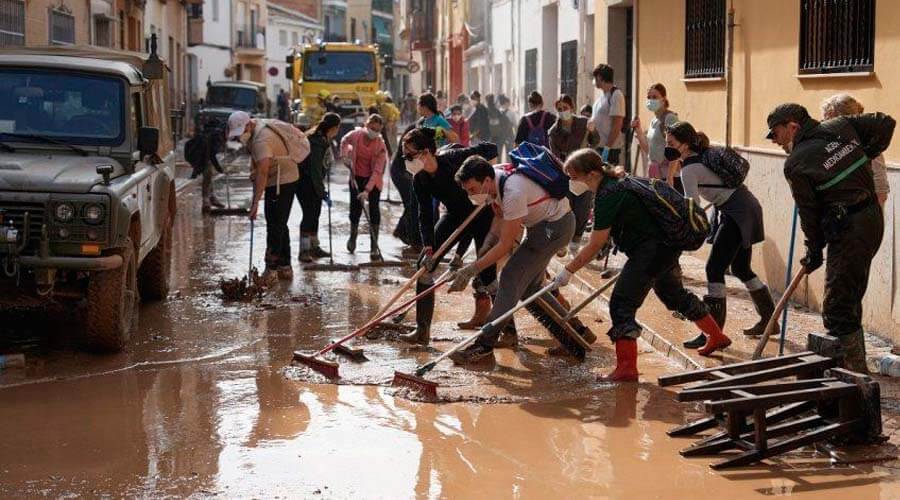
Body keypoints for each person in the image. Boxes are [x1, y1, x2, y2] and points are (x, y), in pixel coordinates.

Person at [550, 149, 731, 381]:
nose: (571, 182)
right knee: (674, 295)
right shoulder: (618, 183)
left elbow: (595, 243)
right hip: (664, 247)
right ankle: (716, 336)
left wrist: (568, 271)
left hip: (651, 252)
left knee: (621, 304)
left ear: (592, 174)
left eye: (573, 177)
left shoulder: (608, 194)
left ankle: (627, 367)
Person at [766, 103, 895, 372]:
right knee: (849, 294)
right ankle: (851, 368)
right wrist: (865, 153)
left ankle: (855, 376)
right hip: (871, 219)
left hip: (850, 228)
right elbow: (885, 122)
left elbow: (809, 212)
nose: (774, 140)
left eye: (775, 133)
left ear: (792, 127)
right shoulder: (841, 126)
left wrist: (813, 249)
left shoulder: (796, 163)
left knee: (838, 307)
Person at [447, 156, 576, 364]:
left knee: (509, 277)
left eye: (472, 189)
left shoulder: (512, 192)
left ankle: (484, 345)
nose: (471, 195)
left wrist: (471, 270)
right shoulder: (495, 180)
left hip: (554, 228)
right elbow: (499, 220)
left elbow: (505, 245)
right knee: (530, 288)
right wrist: (486, 245)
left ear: (486, 180)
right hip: (542, 226)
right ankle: (575, 332)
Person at [664, 121, 775, 348]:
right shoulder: (701, 157)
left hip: (737, 212)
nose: (668, 148)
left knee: (714, 269)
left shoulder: (689, 170)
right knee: (741, 268)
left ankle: (713, 334)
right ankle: (769, 320)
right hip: (746, 206)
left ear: (685, 144)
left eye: (671, 143)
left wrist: (679, 233)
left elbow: (693, 208)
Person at [399, 128, 500, 344]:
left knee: (487, 273)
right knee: (425, 265)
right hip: (454, 215)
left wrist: (489, 187)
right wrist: (428, 246)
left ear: (426, 152)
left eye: (410, 156)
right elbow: (425, 215)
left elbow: (491, 148)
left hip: (481, 213)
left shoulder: (454, 158)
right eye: (404, 156)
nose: (407, 161)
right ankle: (422, 330)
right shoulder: (420, 179)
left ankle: (508, 332)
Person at [227, 111, 309, 281]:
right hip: (283, 176)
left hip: (282, 181)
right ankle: (285, 267)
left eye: (241, 132)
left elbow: (263, 172)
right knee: (279, 222)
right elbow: (259, 167)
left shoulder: (261, 140)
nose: (240, 137)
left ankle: (271, 269)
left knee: (274, 225)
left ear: (248, 125)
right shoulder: (258, 125)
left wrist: (255, 203)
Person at [821, 94, 891, 208]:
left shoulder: (867, 144)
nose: (823, 125)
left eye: (826, 120)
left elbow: (880, 193)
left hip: (862, 215)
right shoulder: (828, 144)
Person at [340, 114, 389, 261]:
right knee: (355, 208)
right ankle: (353, 236)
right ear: (366, 126)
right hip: (356, 176)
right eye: (372, 128)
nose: (374, 132)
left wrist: (367, 190)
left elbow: (378, 170)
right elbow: (344, 141)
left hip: (373, 180)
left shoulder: (380, 145)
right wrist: (345, 156)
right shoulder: (356, 135)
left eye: (378, 130)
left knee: (374, 209)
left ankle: (374, 246)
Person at [549, 94, 594, 253]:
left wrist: (593, 131)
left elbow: (595, 142)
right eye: (559, 109)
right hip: (566, 173)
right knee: (566, 208)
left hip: (585, 171)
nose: (563, 111)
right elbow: (554, 156)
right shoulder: (553, 132)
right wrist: (565, 171)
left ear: (572, 107)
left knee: (583, 207)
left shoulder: (584, 123)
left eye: (565, 108)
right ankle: (563, 240)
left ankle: (576, 240)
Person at [297, 113, 341, 263]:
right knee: (309, 215)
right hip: (305, 183)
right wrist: (321, 192)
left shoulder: (323, 139)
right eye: (338, 128)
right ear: (333, 128)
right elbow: (315, 169)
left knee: (315, 214)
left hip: (313, 182)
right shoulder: (316, 142)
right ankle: (304, 250)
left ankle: (314, 247)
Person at [632, 83, 680, 188]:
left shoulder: (670, 118)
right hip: (655, 174)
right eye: (649, 97)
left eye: (654, 97)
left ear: (663, 99)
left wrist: (670, 177)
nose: (651, 100)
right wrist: (639, 131)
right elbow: (649, 151)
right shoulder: (653, 120)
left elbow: (676, 148)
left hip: (668, 177)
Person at [589, 64, 626, 166]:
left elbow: (617, 124)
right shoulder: (601, 97)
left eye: (595, 77)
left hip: (609, 149)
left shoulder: (616, 95)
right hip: (598, 146)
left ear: (600, 77)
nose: (594, 81)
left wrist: (607, 148)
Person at [185, 121, 225, 212]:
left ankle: (212, 198)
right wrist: (219, 169)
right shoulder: (216, 136)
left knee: (209, 176)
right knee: (207, 177)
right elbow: (212, 155)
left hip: (201, 157)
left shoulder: (212, 133)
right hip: (200, 157)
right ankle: (206, 201)